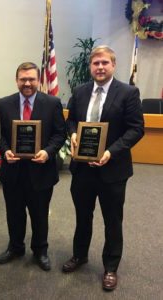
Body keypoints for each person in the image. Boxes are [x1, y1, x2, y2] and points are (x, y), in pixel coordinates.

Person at [62, 46, 144, 290]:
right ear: (90, 66)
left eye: (104, 63)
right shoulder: (80, 91)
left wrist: (111, 152)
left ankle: (110, 267)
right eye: (95, 63)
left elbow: (136, 129)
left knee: (112, 219)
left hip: (113, 169)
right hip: (83, 169)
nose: (99, 67)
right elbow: (71, 121)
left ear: (113, 65)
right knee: (82, 216)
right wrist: (73, 134)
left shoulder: (128, 92)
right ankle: (80, 255)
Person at [0, 62, 66, 271]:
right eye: (23, 79)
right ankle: (15, 247)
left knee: (39, 214)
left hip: (41, 171)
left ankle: (40, 251)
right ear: (17, 80)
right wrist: (5, 150)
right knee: (14, 213)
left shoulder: (53, 102)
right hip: (13, 170)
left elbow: (60, 134)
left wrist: (47, 151)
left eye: (31, 79)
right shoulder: (3, 103)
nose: (27, 83)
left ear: (38, 80)